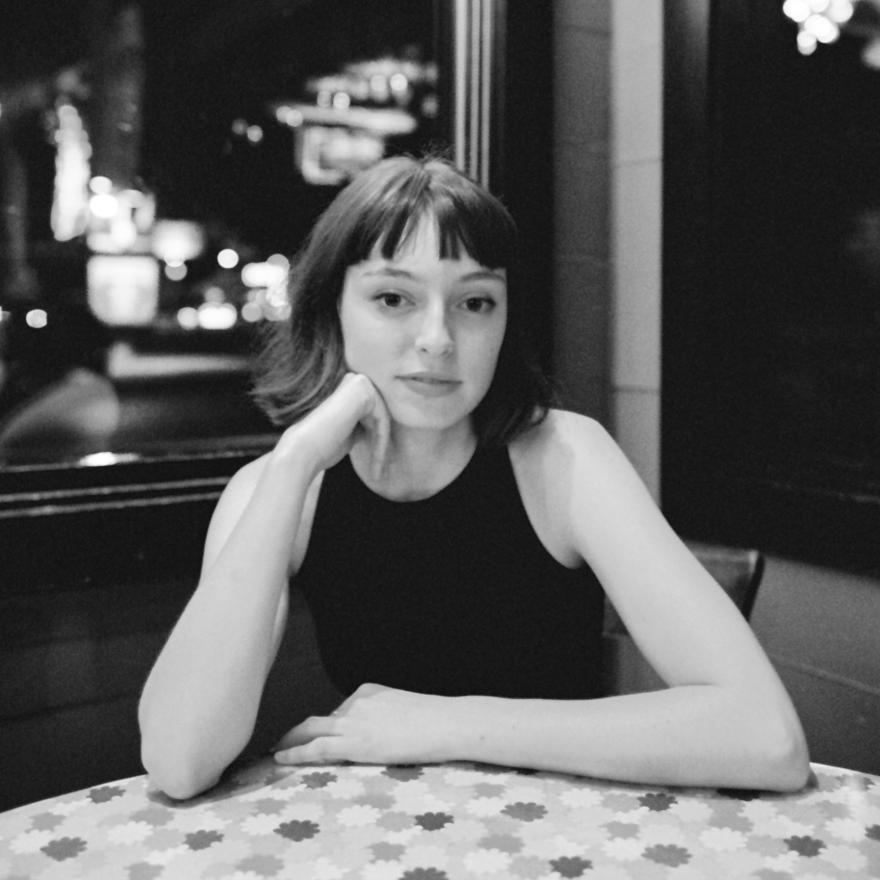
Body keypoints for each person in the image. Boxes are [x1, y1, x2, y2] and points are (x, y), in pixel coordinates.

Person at [138, 155, 810, 801]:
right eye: (394, 298)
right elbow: (178, 759)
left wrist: (444, 725)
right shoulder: (281, 487)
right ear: (330, 312)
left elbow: (767, 737)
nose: (438, 338)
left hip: (565, 839)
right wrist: (291, 465)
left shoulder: (564, 458)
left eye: (476, 303)